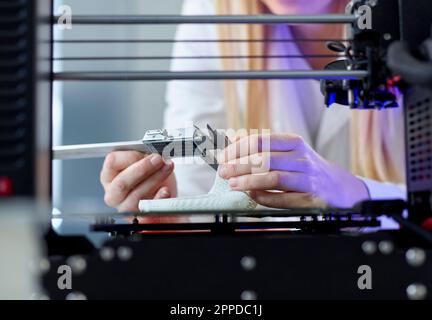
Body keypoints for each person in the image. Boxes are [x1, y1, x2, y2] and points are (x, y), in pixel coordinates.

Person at [100, 0, 406, 213]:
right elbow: (202, 209)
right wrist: (170, 209)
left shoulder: (414, 19)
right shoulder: (211, 16)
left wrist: (356, 195)